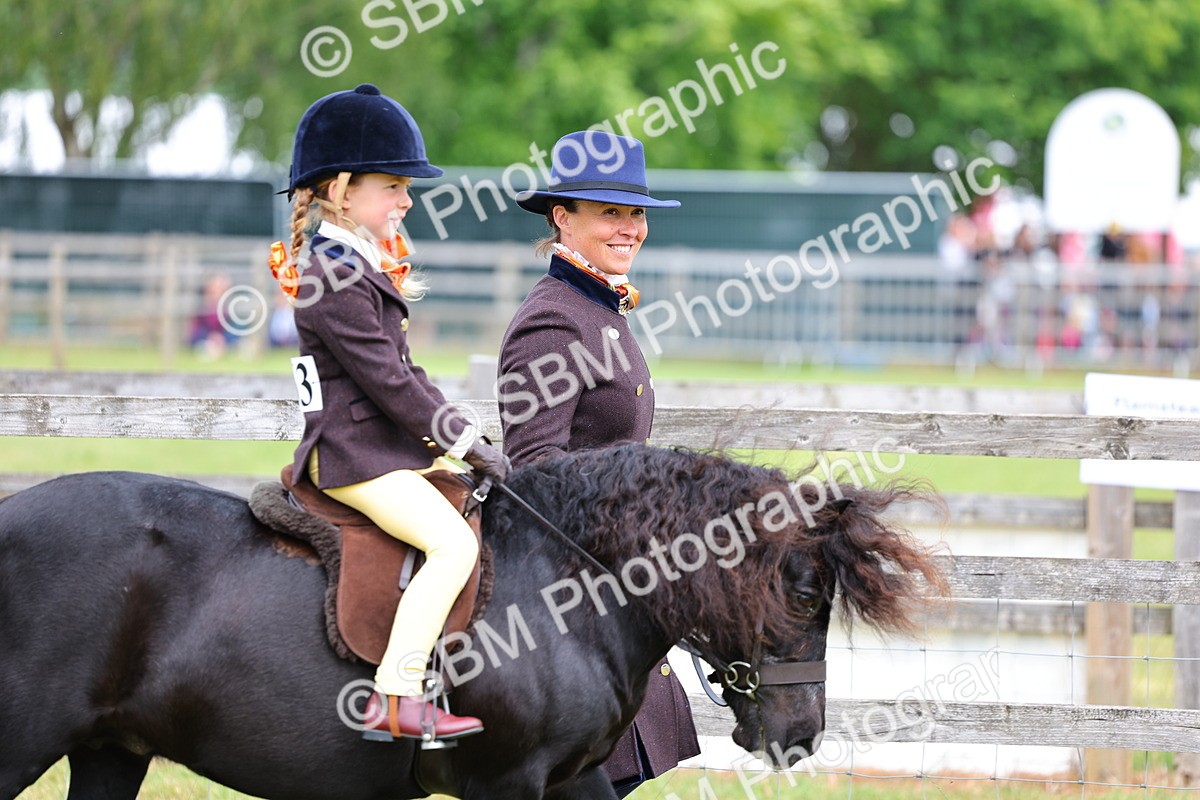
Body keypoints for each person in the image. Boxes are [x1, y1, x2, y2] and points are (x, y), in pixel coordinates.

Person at [274, 83, 509, 743]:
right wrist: (465, 443)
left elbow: (407, 372)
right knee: (453, 546)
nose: (407, 200)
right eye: (394, 187)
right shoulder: (335, 276)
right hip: (353, 458)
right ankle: (397, 695)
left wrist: (465, 437)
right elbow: (390, 384)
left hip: (379, 448)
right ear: (342, 191)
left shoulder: (356, 263)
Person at [498, 130, 701, 797]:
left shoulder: (599, 306)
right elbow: (535, 471)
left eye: (635, 213)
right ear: (562, 216)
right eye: (610, 212)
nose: (630, 228)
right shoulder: (554, 320)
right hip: (570, 597)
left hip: (610, 591)